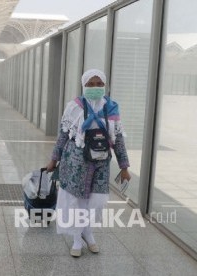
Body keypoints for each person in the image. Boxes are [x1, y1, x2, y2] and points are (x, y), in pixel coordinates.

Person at [46, 69, 131, 257]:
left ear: (105, 85)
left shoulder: (111, 107)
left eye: (99, 84)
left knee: (97, 202)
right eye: (90, 84)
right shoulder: (74, 106)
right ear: (84, 85)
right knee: (77, 201)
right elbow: (63, 135)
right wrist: (54, 159)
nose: (95, 88)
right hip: (75, 162)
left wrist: (124, 166)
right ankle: (78, 237)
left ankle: (87, 230)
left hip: (101, 163)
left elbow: (117, 138)